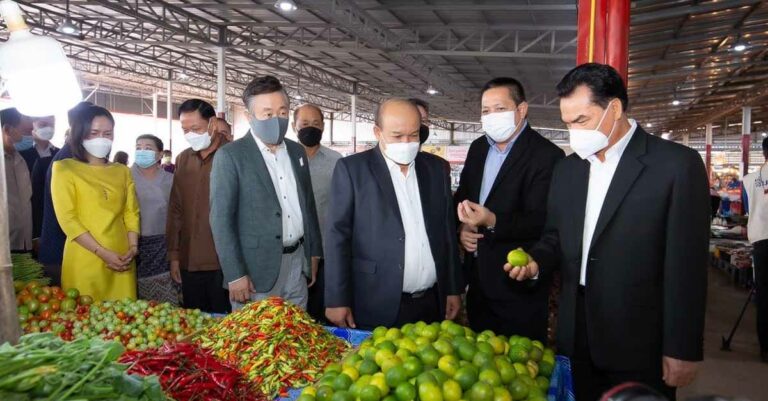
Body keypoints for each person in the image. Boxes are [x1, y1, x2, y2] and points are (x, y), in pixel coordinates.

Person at [505, 63, 709, 400]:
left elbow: (686, 267)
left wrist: (683, 347)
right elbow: (555, 236)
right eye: (567, 123)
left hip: (639, 338)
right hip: (576, 330)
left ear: (613, 109)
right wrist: (536, 262)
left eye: (581, 120)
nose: (573, 132)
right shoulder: (569, 169)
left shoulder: (675, 165)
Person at [324, 99, 463, 329]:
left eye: (414, 135)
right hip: (375, 301)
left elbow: (446, 232)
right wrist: (336, 299)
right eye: (397, 136)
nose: (407, 143)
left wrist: (453, 287)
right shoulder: (353, 170)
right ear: (378, 132)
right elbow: (337, 236)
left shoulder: (437, 169)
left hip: (431, 302)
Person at [453, 77, 564, 340]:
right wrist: (464, 227)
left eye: (500, 109)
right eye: (485, 111)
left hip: (518, 284)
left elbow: (543, 220)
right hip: (478, 282)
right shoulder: (478, 148)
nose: (491, 116)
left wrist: (492, 220)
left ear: (521, 109)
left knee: (519, 366)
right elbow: (464, 197)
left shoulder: (546, 155)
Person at [210, 76, 322, 311]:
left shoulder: (296, 151)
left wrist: (313, 253)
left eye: (282, 112)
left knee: (296, 337)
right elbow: (221, 219)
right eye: (268, 114)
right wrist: (234, 274)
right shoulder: (231, 156)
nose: (276, 119)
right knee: (257, 342)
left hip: (297, 262)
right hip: (255, 271)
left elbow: (307, 205)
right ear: (250, 117)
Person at [51, 106, 140, 301]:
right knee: (85, 320)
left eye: (108, 133)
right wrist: (102, 252)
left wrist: (133, 247)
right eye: (94, 133)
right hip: (85, 256)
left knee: (126, 320)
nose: (102, 138)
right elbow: (68, 219)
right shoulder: (64, 169)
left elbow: (131, 212)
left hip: (123, 257)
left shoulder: (122, 171)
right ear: (80, 134)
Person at [166, 99, 231, 313]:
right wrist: (174, 256)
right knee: (195, 323)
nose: (190, 134)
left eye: (196, 128)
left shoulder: (235, 155)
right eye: (185, 129)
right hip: (189, 261)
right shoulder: (184, 159)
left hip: (224, 263)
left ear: (212, 123)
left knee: (226, 326)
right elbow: (176, 209)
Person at [293, 103, 342, 321]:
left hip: (326, 252)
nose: (310, 128)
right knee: (294, 312)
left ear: (323, 126)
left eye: (315, 123)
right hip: (293, 252)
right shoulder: (284, 158)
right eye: (304, 124)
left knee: (322, 310)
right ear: (294, 126)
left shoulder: (336, 161)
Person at [38, 102, 92, 286]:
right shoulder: (67, 160)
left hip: (72, 248)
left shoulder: (78, 155)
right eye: (97, 129)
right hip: (62, 251)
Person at [132, 134, 178, 305]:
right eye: (138, 147)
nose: (142, 151)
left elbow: (176, 213)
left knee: (164, 299)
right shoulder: (124, 176)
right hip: (134, 244)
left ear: (159, 154)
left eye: (148, 148)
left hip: (162, 245)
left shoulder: (170, 179)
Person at [740, 137, 768, 363]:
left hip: (761, 241)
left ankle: (765, 347)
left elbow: (748, 209)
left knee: (765, 295)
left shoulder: (749, 180)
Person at [2, 107, 33, 252]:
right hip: (4, 246)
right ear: (7, 129)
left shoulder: (20, 160)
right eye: (25, 131)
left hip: (23, 243)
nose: (29, 136)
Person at [30, 116, 60, 246]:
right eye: (43, 124)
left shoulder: (60, 155)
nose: (48, 128)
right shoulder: (23, 155)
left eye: (51, 124)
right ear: (33, 126)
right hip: (32, 218)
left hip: (57, 216)